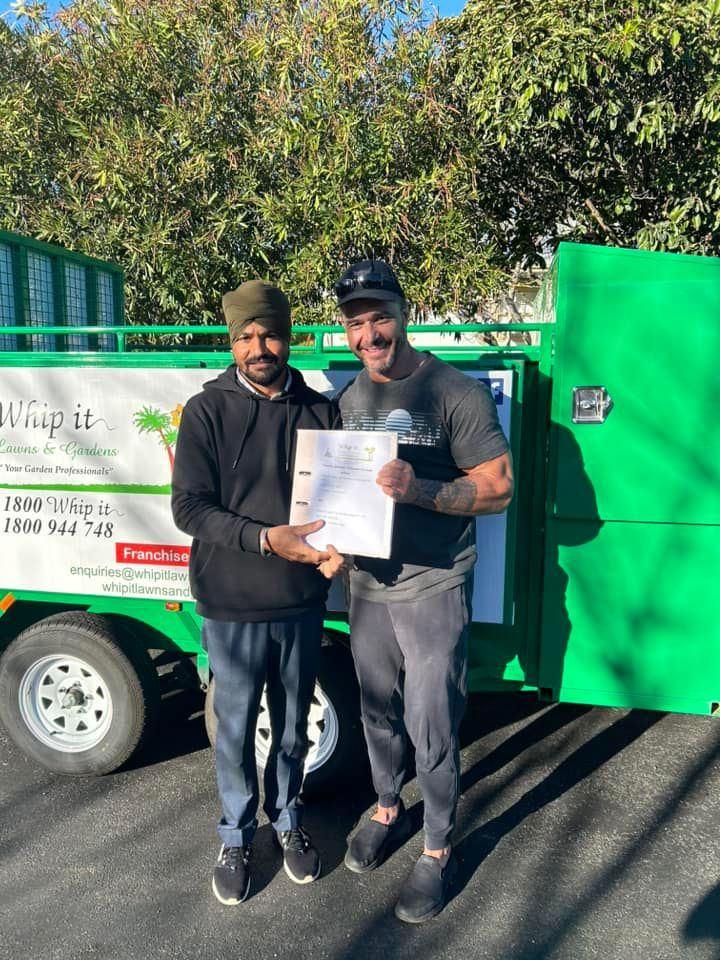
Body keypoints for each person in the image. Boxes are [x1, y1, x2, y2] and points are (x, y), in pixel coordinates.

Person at [334, 259, 514, 923]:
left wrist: (424, 490)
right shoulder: (351, 398)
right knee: (376, 711)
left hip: (434, 587)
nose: (370, 333)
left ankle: (438, 849)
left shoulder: (453, 392)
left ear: (404, 314)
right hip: (368, 586)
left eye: (380, 316)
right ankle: (387, 807)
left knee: (430, 721)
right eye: (356, 322)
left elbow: (498, 489)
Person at [171, 279, 343, 906]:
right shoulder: (206, 411)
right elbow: (189, 508)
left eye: (268, 332)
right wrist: (266, 539)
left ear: (288, 335)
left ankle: (289, 820)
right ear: (231, 342)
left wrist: (342, 544)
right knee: (237, 729)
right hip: (232, 600)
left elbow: (342, 500)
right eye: (244, 336)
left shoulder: (323, 410)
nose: (258, 346)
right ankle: (237, 834)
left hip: (300, 601)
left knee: (293, 727)